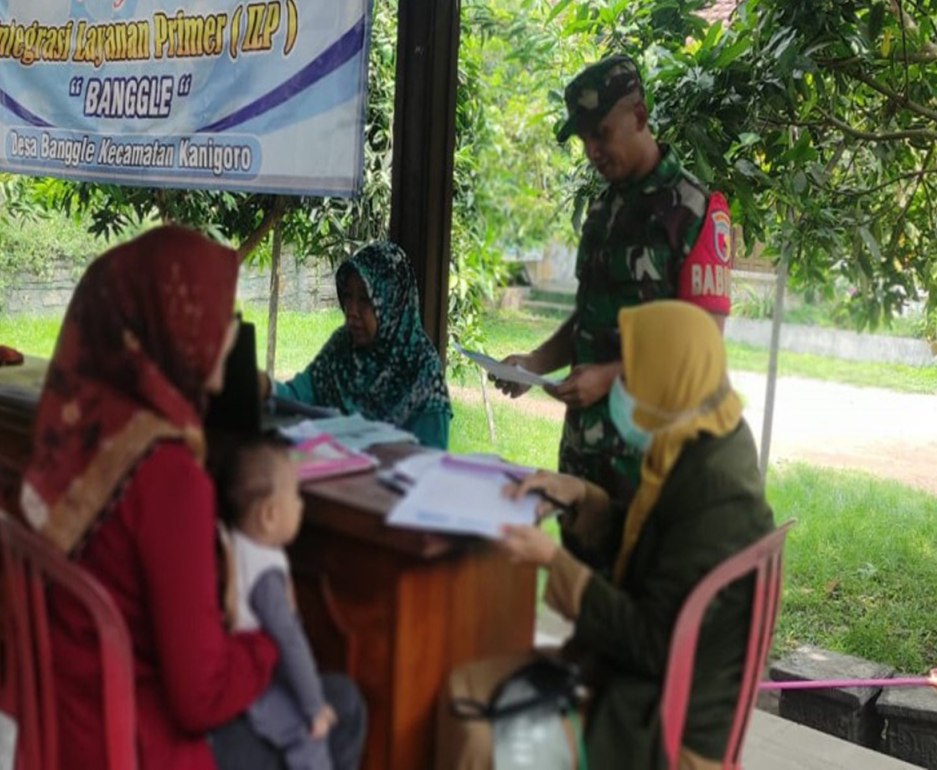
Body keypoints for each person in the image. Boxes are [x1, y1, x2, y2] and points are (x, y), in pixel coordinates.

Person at [20, 225, 366, 770]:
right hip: (135, 741)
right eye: (220, 318)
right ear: (174, 326)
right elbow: (198, 700)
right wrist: (271, 638)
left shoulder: (84, 429)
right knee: (341, 705)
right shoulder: (168, 475)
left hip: (68, 712)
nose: (227, 338)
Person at [492, 300, 774, 769]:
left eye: (631, 374)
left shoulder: (717, 495)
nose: (620, 389)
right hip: (662, 692)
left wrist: (553, 562)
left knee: (473, 710)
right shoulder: (714, 442)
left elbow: (649, 642)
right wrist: (586, 497)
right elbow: (664, 545)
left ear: (671, 375)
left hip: (660, 726)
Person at [495, 54, 733, 508]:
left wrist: (610, 377)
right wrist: (534, 361)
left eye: (601, 133)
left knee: (633, 582)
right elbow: (590, 318)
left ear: (640, 117)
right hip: (584, 457)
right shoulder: (604, 211)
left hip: (651, 467)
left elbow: (704, 348)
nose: (592, 151)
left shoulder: (696, 212)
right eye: (584, 139)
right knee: (576, 577)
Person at [262, 240, 452, 449]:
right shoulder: (342, 347)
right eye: (348, 297)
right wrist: (265, 386)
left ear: (392, 302)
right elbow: (298, 396)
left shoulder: (421, 366)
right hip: (331, 471)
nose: (351, 310)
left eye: (365, 299)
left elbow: (432, 456)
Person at [219, 436, 336, 770]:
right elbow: (290, 641)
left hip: (241, 678)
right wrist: (314, 706)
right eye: (296, 496)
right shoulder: (266, 575)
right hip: (252, 690)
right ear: (269, 515)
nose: (300, 505)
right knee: (310, 732)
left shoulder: (235, 543)